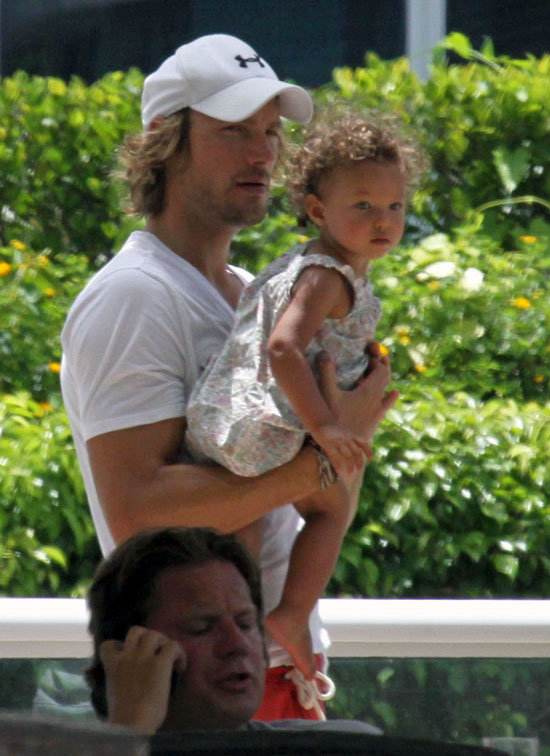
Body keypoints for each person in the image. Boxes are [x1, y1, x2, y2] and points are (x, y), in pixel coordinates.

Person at [60, 33, 397, 719]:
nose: (262, 153)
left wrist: (337, 444)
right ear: (165, 139)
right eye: (234, 131)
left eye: (271, 132)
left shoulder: (253, 292)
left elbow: (308, 495)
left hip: (272, 676)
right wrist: (328, 455)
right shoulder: (134, 296)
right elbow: (140, 513)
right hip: (201, 691)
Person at [185, 111, 425, 681]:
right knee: (331, 508)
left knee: (243, 535)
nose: (383, 220)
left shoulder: (309, 263)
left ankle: (239, 634)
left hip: (236, 424)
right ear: (318, 211)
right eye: (362, 206)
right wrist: (328, 428)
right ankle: (290, 615)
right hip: (280, 426)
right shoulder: (327, 275)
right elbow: (283, 348)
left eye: (395, 205)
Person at [86, 526, 381, 739]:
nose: (237, 644)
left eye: (246, 623)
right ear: (130, 653)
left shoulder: (348, 747)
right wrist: (130, 729)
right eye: (201, 627)